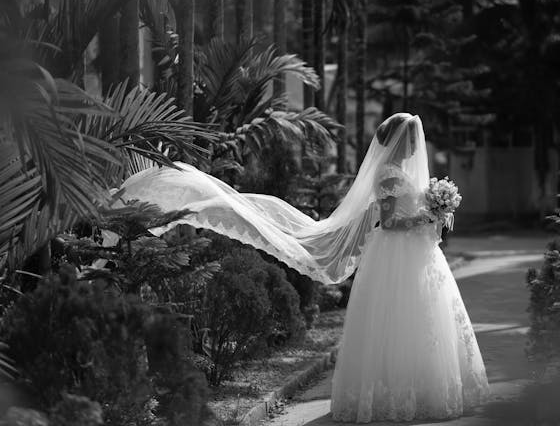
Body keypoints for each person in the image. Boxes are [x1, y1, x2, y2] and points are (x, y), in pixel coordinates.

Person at [117, 112, 489, 423]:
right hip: (395, 254)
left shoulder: (402, 173)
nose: (414, 147)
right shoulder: (390, 173)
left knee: (418, 322)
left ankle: (419, 388)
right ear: (398, 143)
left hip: (412, 257)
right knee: (394, 322)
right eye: (410, 140)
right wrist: (425, 217)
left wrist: (431, 215)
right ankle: (393, 395)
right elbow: (389, 223)